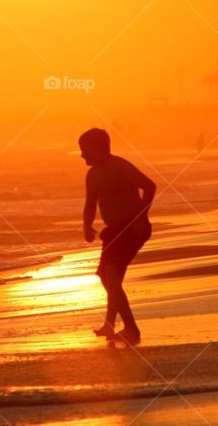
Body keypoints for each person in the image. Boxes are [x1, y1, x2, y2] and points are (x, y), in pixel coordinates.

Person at [79, 128, 156, 345]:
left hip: (132, 228)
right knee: (108, 277)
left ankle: (132, 329)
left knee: (111, 275)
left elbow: (150, 186)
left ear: (98, 148)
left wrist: (141, 217)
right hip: (113, 232)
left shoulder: (119, 166)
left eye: (85, 150)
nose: (82, 155)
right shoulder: (92, 175)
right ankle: (110, 324)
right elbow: (90, 204)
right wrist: (86, 225)